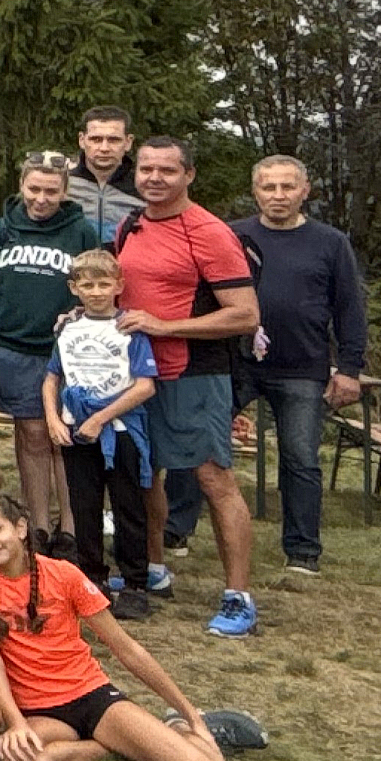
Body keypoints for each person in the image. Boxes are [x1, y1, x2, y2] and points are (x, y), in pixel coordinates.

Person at [0, 492, 226, 761]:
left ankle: (176, 727)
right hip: (37, 713)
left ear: (20, 528)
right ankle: (113, 747)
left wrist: (192, 716)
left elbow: (126, 648)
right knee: (20, 759)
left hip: (90, 697)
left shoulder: (64, 574)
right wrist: (16, 722)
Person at [111, 135, 262, 637]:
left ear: (189, 175)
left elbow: (245, 315)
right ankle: (153, 568)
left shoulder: (210, 232)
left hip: (195, 372)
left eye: (167, 170)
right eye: (146, 169)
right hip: (139, 373)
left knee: (213, 478)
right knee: (145, 472)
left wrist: (166, 326)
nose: (154, 178)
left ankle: (239, 596)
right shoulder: (130, 225)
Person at [230, 156, 369, 579]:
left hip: (303, 367)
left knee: (300, 459)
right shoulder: (232, 236)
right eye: (269, 187)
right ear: (255, 191)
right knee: (201, 446)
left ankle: (303, 551)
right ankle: (176, 534)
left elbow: (350, 308)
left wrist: (349, 368)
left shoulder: (330, 242)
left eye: (287, 187)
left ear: (305, 191)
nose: (278, 195)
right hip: (236, 363)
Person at [0, 152, 95, 560]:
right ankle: (37, 524)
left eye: (51, 191)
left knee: (68, 438)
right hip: (14, 351)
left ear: (65, 191)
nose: (41, 198)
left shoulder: (81, 231)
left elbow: (97, 284)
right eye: (33, 189)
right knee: (33, 436)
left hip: (68, 353)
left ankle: (70, 528)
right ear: (21, 186)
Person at [47, 246, 159, 613]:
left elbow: (145, 386)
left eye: (103, 284)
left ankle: (135, 582)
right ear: (74, 288)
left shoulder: (129, 328)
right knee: (84, 505)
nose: (96, 292)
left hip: (120, 429)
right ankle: (92, 578)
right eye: (87, 285)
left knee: (128, 505)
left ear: (118, 285)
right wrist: (52, 418)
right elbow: (52, 377)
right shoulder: (68, 328)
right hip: (76, 428)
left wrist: (101, 418)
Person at [64, 106, 137, 242]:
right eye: (96, 139)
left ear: (128, 142)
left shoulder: (143, 189)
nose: (104, 148)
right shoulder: (63, 185)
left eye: (113, 140)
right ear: (82, 140)